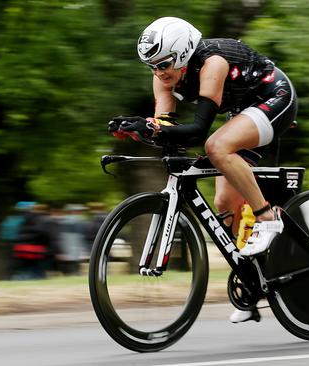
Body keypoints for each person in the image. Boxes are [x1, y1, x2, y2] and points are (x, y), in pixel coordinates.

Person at [108, 17, 298, 323]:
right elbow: (167, 127)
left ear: (183, 53)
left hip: (274, 97)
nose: (159, 72)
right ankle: (257, 280)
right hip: (243, 111)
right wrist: (143, 128)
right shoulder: (163, 77)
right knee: (225, 203)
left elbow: (197, 131)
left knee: (216, 147)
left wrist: (153, 128)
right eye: (152, 66)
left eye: (165, 63)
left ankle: (267, 218)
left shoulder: (213, 63)